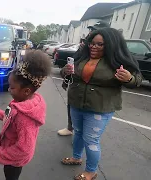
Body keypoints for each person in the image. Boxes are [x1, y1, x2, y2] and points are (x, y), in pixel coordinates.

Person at [60, 28, 142, 180]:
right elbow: (65, 74)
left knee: (91, 140)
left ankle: (91, 171)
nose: (94, 47)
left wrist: (129, 78)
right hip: (76, 103)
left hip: (100, 108)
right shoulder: (81, 57)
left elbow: (137, 79)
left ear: (110, 45)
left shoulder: (117, 61)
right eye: (92, 43)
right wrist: (65, 71)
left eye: (100, 44)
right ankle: (76, 157)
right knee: (78, 133)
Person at [0, 50, 51, 180]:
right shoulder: (18, 102)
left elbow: (25, 148)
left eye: (12, 87)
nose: (8, 90)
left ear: (26, 90)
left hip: (14, 158)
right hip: (10, 152)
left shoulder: (24, 117)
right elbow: (9, 116)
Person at [57, 21, 110, 136]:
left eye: (94, 30)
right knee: (72, 105)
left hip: (95, 95)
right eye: (91, 30)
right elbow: (74, 61)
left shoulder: (109, 52)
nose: (90, 33)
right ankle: (71, 128)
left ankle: (82, 135)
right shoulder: (86, 46)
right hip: (77, 87)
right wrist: (81, 51)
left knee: (89, 130)